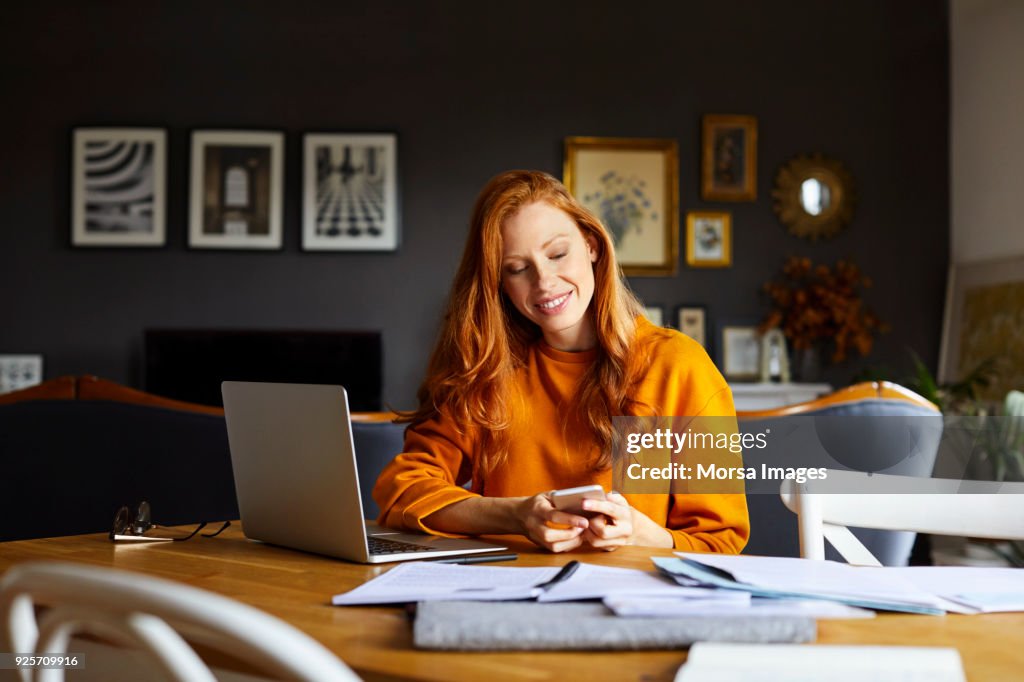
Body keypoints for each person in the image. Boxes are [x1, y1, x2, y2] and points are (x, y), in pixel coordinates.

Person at [373, 170, 749, 553]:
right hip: (506, 596)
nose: (544, 281)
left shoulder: (675, 367)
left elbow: (719, 541)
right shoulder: (489, 369)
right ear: (499, 283)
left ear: (592, 245)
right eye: (517, 269)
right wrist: (516, 515)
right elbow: (404, 489)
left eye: (557, 254)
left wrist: (639, 533)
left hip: (633, 600)